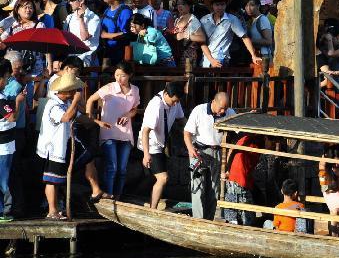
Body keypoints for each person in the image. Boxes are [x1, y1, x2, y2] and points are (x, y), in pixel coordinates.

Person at [85, 61, 139, 198]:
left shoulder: (135, 90)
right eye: (116, 75)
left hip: (126, 134)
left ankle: (118, 197)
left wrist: (128, 115)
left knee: (122, 170)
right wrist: (90, 119)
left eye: (122, 76)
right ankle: (109, 196)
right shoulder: (109, 87)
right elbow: (90, 100)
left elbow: (134, 109)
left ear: (130, 75)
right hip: (109, 133)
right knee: (112, 167)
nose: (119, 79)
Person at [38, 73, 84, 220]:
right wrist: (76, 100)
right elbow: (66, 117)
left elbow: (77, 116)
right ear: (64, 92)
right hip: (52, 148)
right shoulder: (53, 104)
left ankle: (56, 210)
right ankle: (52, 211)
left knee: (57, 180)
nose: (73, 93)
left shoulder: (64, 104)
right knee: (52, 180)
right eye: (71, 91)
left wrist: (98, 122)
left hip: (62, 147)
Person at [184, 92, 236, 220]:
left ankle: (209, 219)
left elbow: (239, 128)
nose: (223, 111)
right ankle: (198, 220)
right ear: (214, 101)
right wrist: (190, 149)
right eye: (221, 108)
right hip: (199, 151)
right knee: (198, 188)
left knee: (215, 189)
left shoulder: (229, 112)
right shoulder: (199, 110)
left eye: (226, 108)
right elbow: (187, 133)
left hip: (218, 152)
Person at [139, 82, 185, 210]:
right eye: (173, 101)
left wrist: (192, 133)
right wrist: (146, 154)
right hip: (150, 143)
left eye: (177, 101)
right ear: (166, 94)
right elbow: (145, 131)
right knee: (163, 178)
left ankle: (150, 201)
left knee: (154, 178)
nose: (175, 104)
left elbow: (181, 119)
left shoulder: (176, 101)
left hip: (162, 144)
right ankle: (153, 209)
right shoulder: (155, 105)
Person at [198, 0, 263, 68]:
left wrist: (253, 55)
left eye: (222, 5)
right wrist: (211, 59)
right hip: (206, 60)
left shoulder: (232, 19)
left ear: (225, 5)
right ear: (212, 6)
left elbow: (244, 37)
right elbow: (202, 42)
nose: (220, 7)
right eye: (217, 5)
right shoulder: (204, 20)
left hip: (222, 59)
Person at [0, 60, 24, 221]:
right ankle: (5, 211)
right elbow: (12, 117)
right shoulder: (1, 99)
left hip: (4, 144)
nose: (7, 82)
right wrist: (18, 101)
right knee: (4, 180)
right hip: (4, 145)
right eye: (6, 78)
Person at [99, 0, 133, 64]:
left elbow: (126, 34)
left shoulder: (125, 12)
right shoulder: (107, 10)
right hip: (106, 53)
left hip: (120, 56)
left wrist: (105, 35)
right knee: (104, 76)